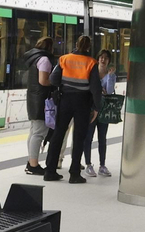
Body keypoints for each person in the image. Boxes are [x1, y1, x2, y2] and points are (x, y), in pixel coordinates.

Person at [43, 35, 102, 184]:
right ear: (89, 47)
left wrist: (64, 84)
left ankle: (50, 170)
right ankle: (74, 173)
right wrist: (96, 107)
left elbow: (53, 79)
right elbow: (95, 88)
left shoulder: (64, 59)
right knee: (79, 137)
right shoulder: (91, 62)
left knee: (58, 134)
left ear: (76, 44)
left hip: (65, 100)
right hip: (83, 101)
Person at [21, 34, 56, 176]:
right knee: (39, 133)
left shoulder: (33, 58)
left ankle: (31, 162)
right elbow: (43, 80)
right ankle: (33, 165)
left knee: (34, 132)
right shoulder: (44, 59)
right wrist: (54, 82)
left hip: (33, 98)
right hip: (41, 100)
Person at [83, 48, 117, 177]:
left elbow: (108, 90)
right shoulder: (92, 72)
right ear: (98, 59)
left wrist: (110, 76)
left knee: (102, 138)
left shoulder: (111, 75)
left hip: (104, 110)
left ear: (109, 61)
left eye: (106, 58)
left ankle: (102, 165)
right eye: (101, 57)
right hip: (91, 108)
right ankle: (88, 164)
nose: (103, 60)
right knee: (88, 137)